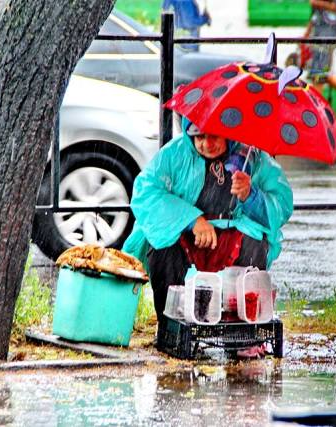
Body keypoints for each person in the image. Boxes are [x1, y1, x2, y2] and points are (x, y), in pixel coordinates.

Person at [123, 118, 293, 355]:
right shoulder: (174, 154)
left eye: (214, 136)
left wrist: (251, 195)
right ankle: (171, 330)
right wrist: (191, 220)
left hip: (235, 237)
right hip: (188, 236)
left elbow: (282, 204)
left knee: (255, 244)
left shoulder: (252, 157)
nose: (206, 144)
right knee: (161, 245)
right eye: (199, 137)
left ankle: (243, 337)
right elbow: (146, 193)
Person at [304, 0, 336, 112]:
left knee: (320, 71)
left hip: (328, 37)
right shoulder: (318, 9)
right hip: (317, 37)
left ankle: (317, 104)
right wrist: (306, 35)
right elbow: (314, 17)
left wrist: (317, 3)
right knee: (319, 71)